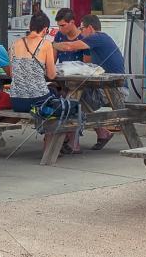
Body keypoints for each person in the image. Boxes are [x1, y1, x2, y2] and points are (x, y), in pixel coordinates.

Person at [11, 10, 82, 154]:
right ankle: (51, 144)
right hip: (37, 100)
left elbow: (13, 73)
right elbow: (51, 74)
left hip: (16, 101)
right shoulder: (46, 44)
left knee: (52, 94)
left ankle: (55, 143)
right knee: (58, 97)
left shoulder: (15, 44)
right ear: (45, 29)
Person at [55, 13, 126, 149]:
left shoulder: (98, 37)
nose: (81, 32)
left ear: (91, 28)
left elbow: (69, 47)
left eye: (82, 28)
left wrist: (51, 45)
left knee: (72, 98)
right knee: (73, 96)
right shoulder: (98, 41)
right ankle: (101, 133)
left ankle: (72, 142)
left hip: (116, 89)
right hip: (106, 87)